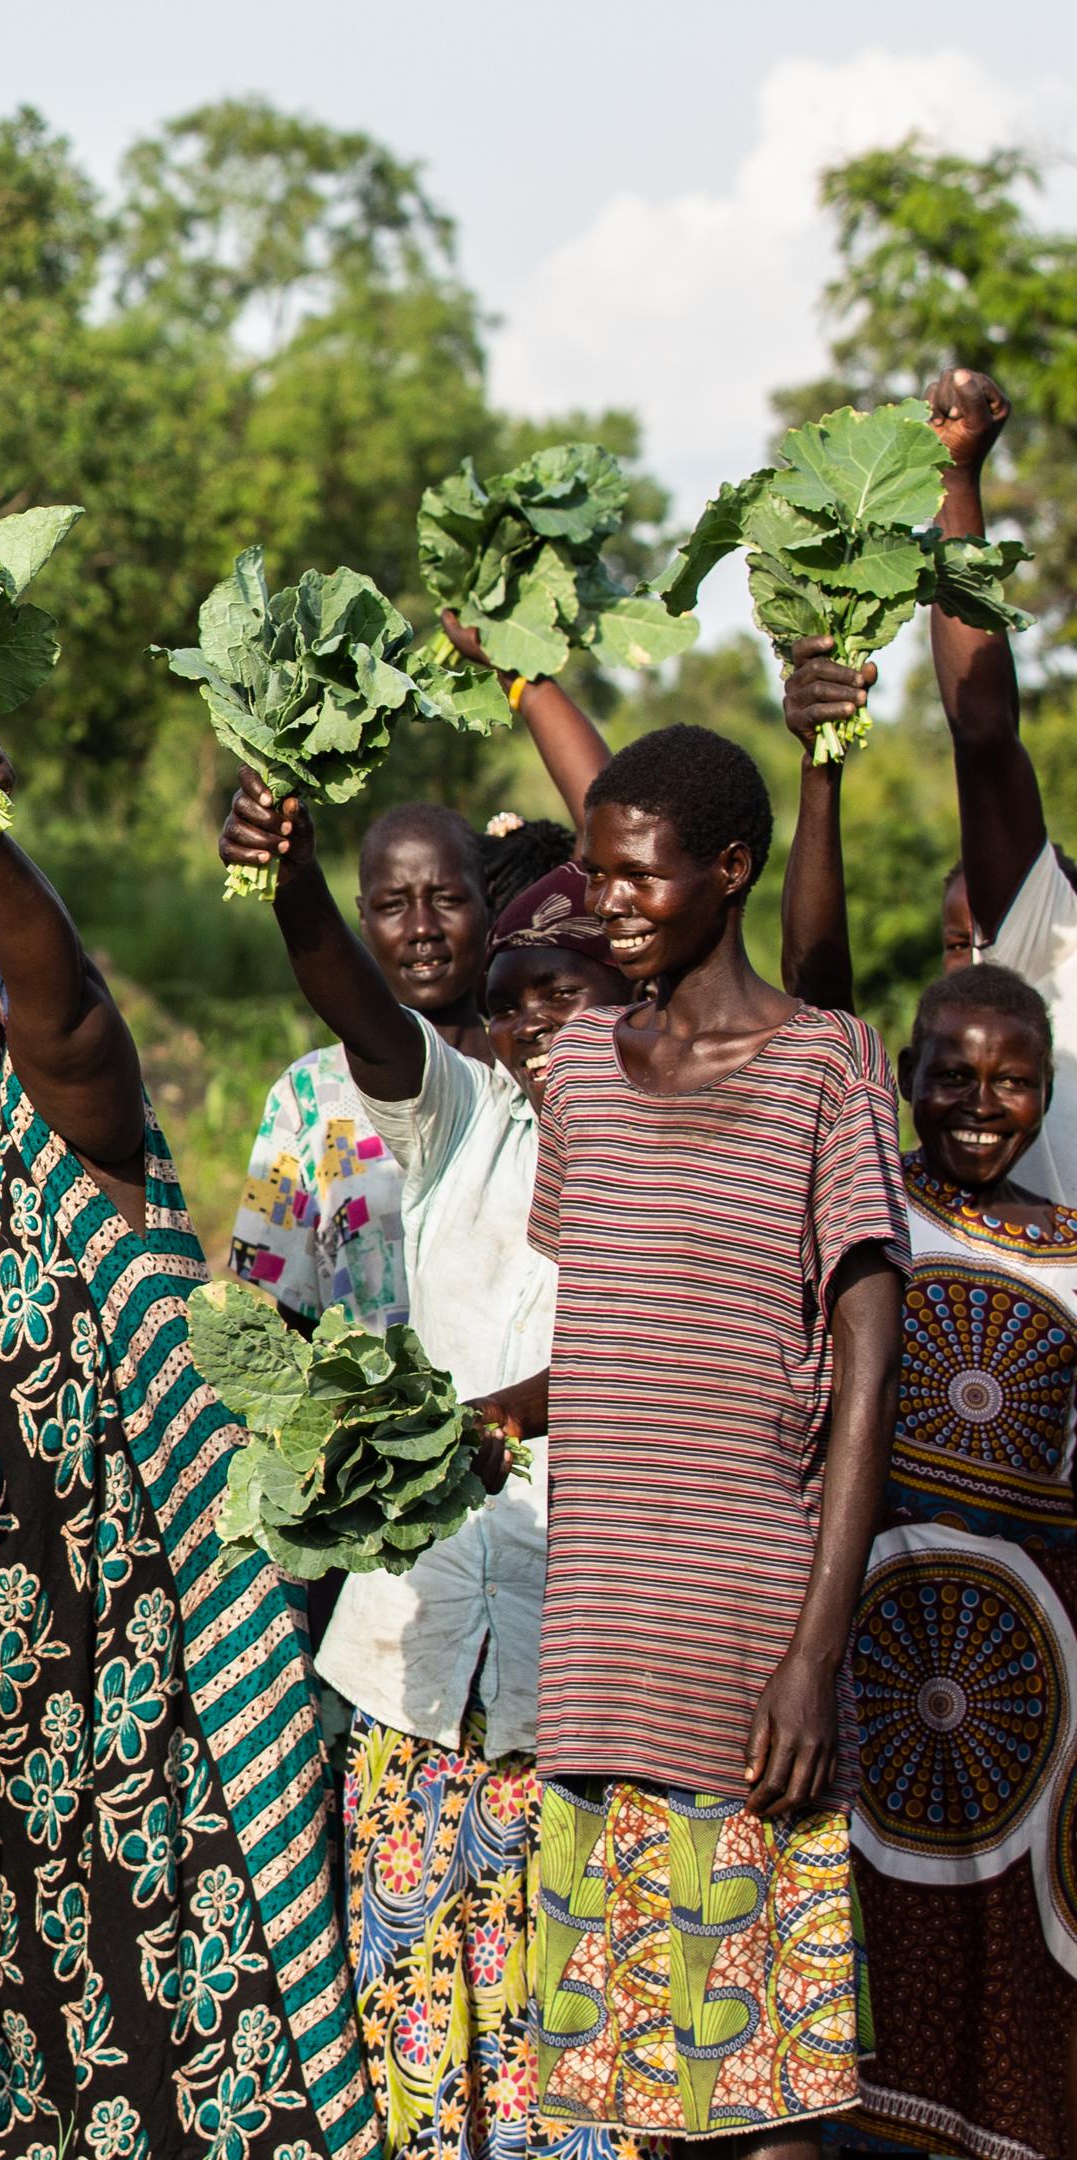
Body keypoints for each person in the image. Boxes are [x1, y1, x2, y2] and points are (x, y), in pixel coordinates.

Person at [0, 728, 378, 2160]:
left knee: (216, 2020)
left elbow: (75, 1022)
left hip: (158, 1667)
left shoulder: (74, 1150)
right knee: (25, 2044)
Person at [216, 781, 639, 2160]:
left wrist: (502, 1421)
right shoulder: (458, 1126)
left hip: (578, 1695)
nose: (538, 1026)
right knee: (418, 2062)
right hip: (409, 1674)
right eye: (518, 1004)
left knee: (571, 2068)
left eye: (568, 994)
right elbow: (361, 1016)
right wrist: (288, 885)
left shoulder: (676, 1162)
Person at [516, 724, 902, 2156]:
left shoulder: (826, 1067)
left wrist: (816, 1652)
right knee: (630, 2099)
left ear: (732, 871)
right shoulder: (580, 1072)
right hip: (600, 1651)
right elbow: (615, 1346)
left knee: (765, 2107)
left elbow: (869, 1370)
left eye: (636, 876)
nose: (603, 901)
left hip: (746, 1663)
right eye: (591, 874)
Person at [819, 964, 1077, 2160]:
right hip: (863, 1645)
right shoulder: (867, 1211)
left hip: (1029, 1695)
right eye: (953, 1076)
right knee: (860, 1916)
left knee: (1003, 1956)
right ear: (907, 1080)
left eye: (1013, 1080)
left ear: (1047, 1090)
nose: (982, 1102)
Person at [792, 371, 1052, 1090]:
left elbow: (987, 740)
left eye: (986, 937)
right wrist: (819, 764)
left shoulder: (1053, 971)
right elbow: (818, 1009)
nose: (977, 961)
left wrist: (957, 480)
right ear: (908, 1076)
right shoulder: (888, 1196)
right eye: (958, 945)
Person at [224, 803, 490, 1327]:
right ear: (362, 920)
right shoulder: (306, 1093)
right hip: (371, 1407)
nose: (422, 929)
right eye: (394, 905)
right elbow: (298, 1310)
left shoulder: (529, 1073)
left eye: (447, 900)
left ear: (490, 905)